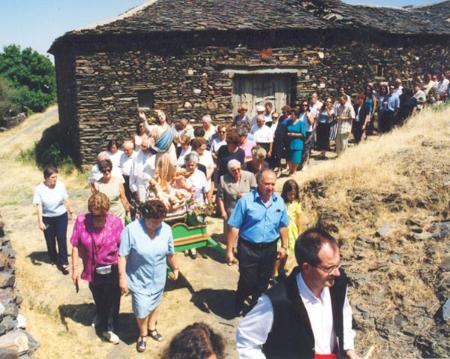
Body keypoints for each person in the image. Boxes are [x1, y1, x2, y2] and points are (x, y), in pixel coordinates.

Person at [236, 227, 361, 359]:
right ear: (306, 267)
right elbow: (246, 340)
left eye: (338, 265)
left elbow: (343, 312)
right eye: (329, 268)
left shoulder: (338, 283)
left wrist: (348, 348)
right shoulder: (277, 301)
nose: (337, 273)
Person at [119, 199, 179, 353]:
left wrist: (175, 268)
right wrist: (122, 278)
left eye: (159, 221)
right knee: (141, 308)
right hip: (138, 277)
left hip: (158, 276)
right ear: (143, 217)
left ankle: (152, 328)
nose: (156, 225)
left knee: (155, 301)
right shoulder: (131, 230)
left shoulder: (166, 229)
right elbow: (122, 256)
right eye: (153, 221)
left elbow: (170, 253)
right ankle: (143, 334)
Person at [226, 169, 289, 316]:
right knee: (248, 280)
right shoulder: (245, 201)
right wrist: (229, 250)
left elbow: (283, 225)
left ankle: (255, 306)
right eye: (267, 184)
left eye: (273, 184)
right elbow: (234, 226)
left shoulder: (279, 201)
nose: (270, 187)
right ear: (259, 183)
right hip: (248, 247)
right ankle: (239, 302)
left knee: (263, 281)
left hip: (269, 248)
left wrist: (284, 246)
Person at [70, 193, 123, 344]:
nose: (98, 218)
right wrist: (74, 270)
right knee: (98, 296)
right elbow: (74, 245)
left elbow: (122, 250)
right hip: (92, 268)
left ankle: (109, 328)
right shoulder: (82, 221)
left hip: (112, 266)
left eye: (101, 215)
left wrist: (122, 275)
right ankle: (101, 314)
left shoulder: (116, 222)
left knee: (113, 299)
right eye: (95, 215)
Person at [33, 166, 73, 275]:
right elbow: (39, 206)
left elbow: (66, 199)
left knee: (61, 237)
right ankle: (54, 258)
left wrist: (71, 211)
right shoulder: (39, 189)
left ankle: (64, 262)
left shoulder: (60, 185)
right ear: (46, 178)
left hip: (61, 216)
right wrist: (40, 221)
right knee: (50, 240)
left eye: (56, 177)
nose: (55, 179)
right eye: (52, 177)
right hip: (47, 218)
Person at [217, 159, 256, 236]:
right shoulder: (223, 179)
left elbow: (256, 192)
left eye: (238, 169)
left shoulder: (250, 176)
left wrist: (246, 195)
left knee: (246, 233)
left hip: (247, 209)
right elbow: (220, 197)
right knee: (232, 234)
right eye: (233, 170)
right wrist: (223, 211)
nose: (237, 172)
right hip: (231, 210)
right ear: (229, 171)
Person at [273, 179, 302, 279]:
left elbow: (299, 218)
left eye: (294, 194)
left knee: (287, 252)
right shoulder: (280, 202)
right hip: (281, 229)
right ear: (285, 192)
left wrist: (299, 231)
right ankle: (274, 272)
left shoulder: (297, 203)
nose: (292, 196)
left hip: (292, 231)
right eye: (290, 194)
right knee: (278, 251)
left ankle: (281, 269)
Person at [129, 137, 157, 203]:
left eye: (145, 146)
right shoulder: (136, 156)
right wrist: (134, 192)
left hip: (152, 189)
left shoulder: (155, 156)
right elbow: (132, 176)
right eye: (142, 146)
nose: (142, 148)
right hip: (139, 188)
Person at [287, 110, 307, 175]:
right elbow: (287, 130)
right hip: (290, 142)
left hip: (298, 142)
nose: (291, 116)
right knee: (289, 157)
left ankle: (294, 171)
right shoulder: (289, 122)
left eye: (292, 115)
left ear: (296, 115)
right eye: (291, 115)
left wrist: (294, 134)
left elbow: (303, 134)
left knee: (296, 158)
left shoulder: (301, 123)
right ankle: (290, 170)